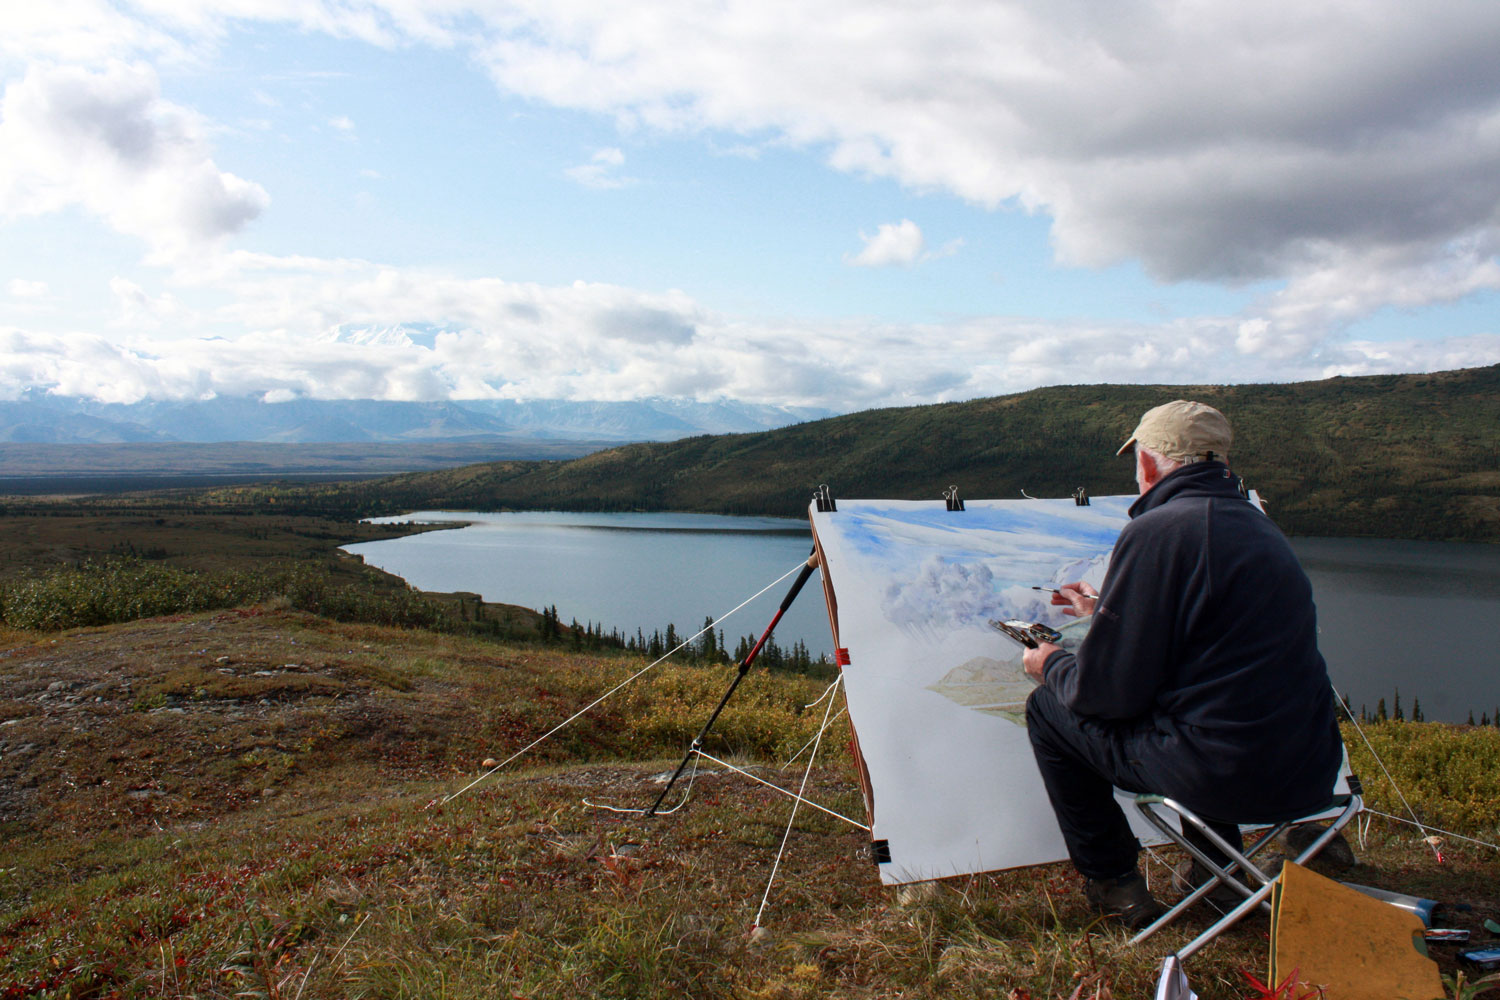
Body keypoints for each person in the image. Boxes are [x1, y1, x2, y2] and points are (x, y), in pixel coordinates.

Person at [1019, 400, 1343, 929]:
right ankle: (1215, 872)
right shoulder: (1258, 526)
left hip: (1223, 776)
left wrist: (1050, 662)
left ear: (1148, 465)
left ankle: (1113, 883)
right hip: (1306, 772)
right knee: (1210, 709)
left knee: (1048, 711)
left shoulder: (1158, 531)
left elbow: (1103, 694)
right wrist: (1106, 612)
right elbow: (1210, 637)